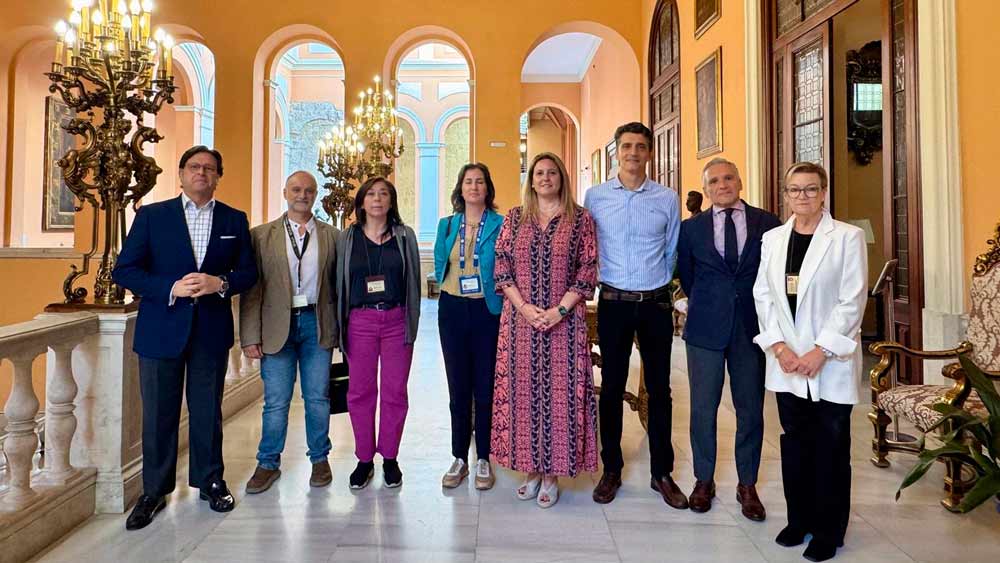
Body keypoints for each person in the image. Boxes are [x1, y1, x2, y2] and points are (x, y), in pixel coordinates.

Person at [113, 145, 257, 530]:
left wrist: (220, 282)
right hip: (161, 330)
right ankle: (153, 491)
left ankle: (211, 481)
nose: (201, 173)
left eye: (210, 168)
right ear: (180, 174)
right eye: (194, 167)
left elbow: (248, 273)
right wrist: (171, 287)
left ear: (217, 177)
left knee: (208, 411)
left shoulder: (233, 220)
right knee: (159, 414)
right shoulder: (151, 217)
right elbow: (124, 270)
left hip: (210, 332)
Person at [753, 162, 867, 562]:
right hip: (786, 362)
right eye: (795, 190)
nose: (802, 196)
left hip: (829, 363)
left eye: (811, 189)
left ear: (824, 193)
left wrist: (821, 351)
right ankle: (798, 519)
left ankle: (828, 529)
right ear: (785, 195)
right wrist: (780, 348)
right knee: (794, 444)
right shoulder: (772, 239)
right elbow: (763, 296)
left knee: (831, 446)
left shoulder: (847, 238)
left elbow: (851, 301)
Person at [584, 122, 685, 509]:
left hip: (655, 303)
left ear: (649, 152)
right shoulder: (595, 197)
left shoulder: (666, 198)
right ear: (616, 153)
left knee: (660, 390)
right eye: (626, 147)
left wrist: (659, 285)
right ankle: (612, 469)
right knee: (611, 388)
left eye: (640, 147)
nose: (633, 153)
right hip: (612, 302)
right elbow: (588, 245)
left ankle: (662, 472)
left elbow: (672, 248)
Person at [491, 152, 599, 509]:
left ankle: (552, 473)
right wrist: (523, 307)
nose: (545, 177)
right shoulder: (514, 218)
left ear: (562, 178)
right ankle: (530, 468)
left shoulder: (580, 219)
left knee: (561, 397)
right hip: (519, 322)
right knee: (522, 395)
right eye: (539, 172)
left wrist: (559, 311)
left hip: (564, 325)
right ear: (531, 179)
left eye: (552, 172)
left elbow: (587, 269)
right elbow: (502, 265)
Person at [677, 158, 782, 520]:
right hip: (705, 328)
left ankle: (747, 484)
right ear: (705, 190)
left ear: (740, 181)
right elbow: (688, 277)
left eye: (729, 178)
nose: (723, 185)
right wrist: (711, 303)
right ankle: (703, 480)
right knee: (702, 409)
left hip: (751, 329)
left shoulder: (767, 223)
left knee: (750, 408)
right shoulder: (691, 229)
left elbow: (776, 273)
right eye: (714, 181)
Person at [239, 171, 339, 494]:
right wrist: (249, 335)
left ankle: (320, 460)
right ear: (285, 192)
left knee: (318, 397)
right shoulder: (260, 236)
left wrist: (340, 333)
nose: (303, 195)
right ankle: (268, 464)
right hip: (275, 327)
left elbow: (338, 289)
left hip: (316, 324)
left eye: (309, 190)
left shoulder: (332, 237)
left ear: (316, 195)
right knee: (276, 401)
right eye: (296, 189)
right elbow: (252, 290)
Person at [335, 177, 421, 490]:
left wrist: (413, 323)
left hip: (397, 319)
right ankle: (363, 459)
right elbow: (337, 284)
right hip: (360, 322)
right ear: (361, 202)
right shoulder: (347, 238)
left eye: (384, 194)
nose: (377, 199)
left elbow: (413, 281)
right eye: (371, 193)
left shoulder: (404, 236)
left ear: (391, 201)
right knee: (360, 392)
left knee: (395, 391)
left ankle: (390, 457)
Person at [434, 163, 504, 490]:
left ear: (488, 189)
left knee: (485, 386)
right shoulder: (447, 225)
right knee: (457, 386)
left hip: (487, 310)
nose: (473, 187)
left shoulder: (502, 225)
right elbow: (439, 264)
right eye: (468, 182)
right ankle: (459, 456)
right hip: (451, 310)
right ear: (460, 189)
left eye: (479, 182)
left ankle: (484, 458)